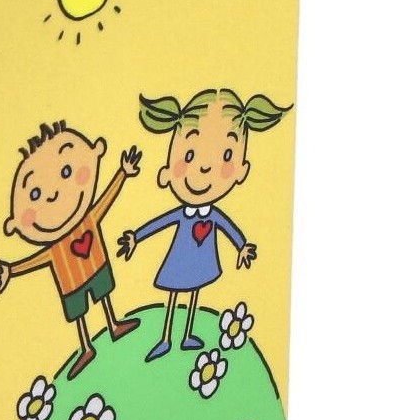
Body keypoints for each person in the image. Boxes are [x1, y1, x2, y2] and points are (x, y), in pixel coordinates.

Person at [118, 89, 291, 360]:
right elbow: (160, 223)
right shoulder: (182, 213)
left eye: (225, 156)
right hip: (179, 259)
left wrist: (242, 246)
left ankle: (187, 334)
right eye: (189, 156)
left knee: (194, 294)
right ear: (166, 172)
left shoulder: (213, 215)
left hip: (202, 259)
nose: (205, 168)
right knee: (174, 295)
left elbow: (228, 228)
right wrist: (135, 237)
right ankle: (165, 337)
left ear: (242, 170)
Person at [0, 120, 141, 380]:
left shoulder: (88, 220)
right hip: (71, 284)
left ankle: (113, 324)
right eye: (35, 194)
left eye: (67, 171)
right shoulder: (56, 248)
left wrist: (122, 173)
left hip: (96, 266)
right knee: (79, 314)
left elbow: (106, 198)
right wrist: (11, 270)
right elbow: (38, 259)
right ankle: (86, 347)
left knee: (104, 295)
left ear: (95, 153)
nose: (53, 195)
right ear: (15, 222)